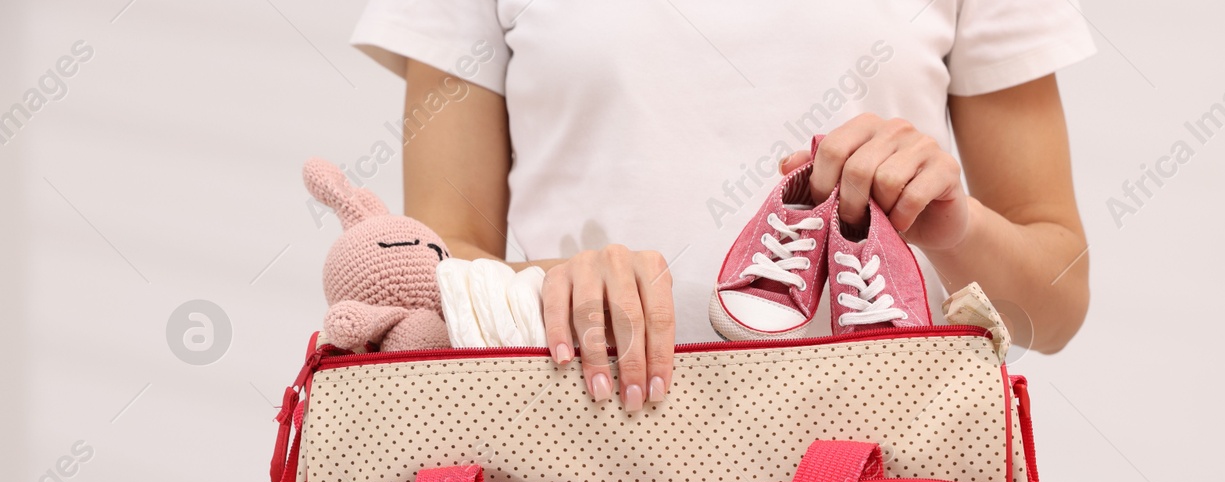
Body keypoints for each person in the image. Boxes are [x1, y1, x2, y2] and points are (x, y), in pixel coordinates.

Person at [352, 1, 1094, 409]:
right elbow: (437, 268)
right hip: (585, 477)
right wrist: (550, 282)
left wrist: (954, 229)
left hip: (886, 480)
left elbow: (1054, 310)